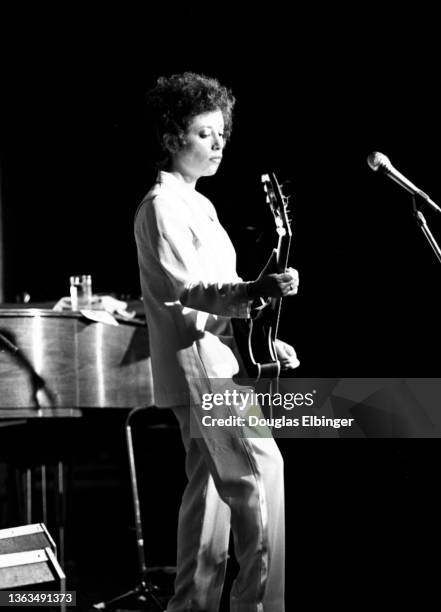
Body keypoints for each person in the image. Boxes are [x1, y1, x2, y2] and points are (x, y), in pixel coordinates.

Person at [134, 72, 299, 612]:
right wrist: (255, 289)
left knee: (208, 509)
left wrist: (264, 341)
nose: (218, 143)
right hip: (201, 371)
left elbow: (222, 300)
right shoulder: (162, 207)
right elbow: (195, 291)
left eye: (221, 134)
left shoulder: (199, 206)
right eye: (205, 133)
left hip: (216, 361)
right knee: (261, 477)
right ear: (172, 136)